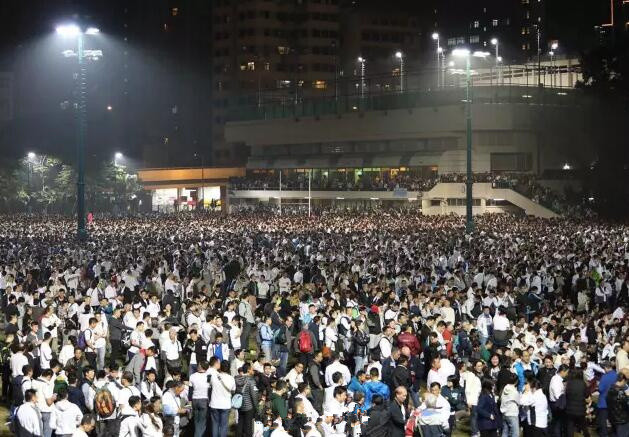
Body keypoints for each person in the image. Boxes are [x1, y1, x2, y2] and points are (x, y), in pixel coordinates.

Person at [210, 360, 235, 437]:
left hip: (214, 403)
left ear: (220, 367)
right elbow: (233, 390)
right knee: (224, 426)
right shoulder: (231, 378)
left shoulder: (214, 376)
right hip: (225, 404)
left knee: (215, 425)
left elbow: (210, 386)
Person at [235, 363, 260, 437]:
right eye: (252, 369)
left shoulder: (237, 379)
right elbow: (254, 396)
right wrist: (257, 407)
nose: (254, 371)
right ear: (249, 370)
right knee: (248, 427)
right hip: (249, 406)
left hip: (240, 405)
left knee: (240, 423)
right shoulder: (251, 381)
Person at [564, 369, 589, 437]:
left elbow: (566, 394)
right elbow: (587, 395)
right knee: (583, 426)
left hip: (570, 409)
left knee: (570, 426)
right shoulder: (583, 383)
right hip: (580, 409)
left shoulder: (569, 383)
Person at [189, 360, 210, 437]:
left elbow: (190, 391)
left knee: (196, 421)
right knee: (202, 422)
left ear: (200, 366)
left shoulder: (192, 376)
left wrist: (190, 401)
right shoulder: (209, 376)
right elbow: (210, 388)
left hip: (195, 399)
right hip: (204, 400)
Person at [499, 373, 520, 437]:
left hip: (504, 413)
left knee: (505, 432)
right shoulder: (514, 391)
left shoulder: (505, 388)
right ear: (516, 381)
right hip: (512, 413)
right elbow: (519, 402)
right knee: (515, 433)